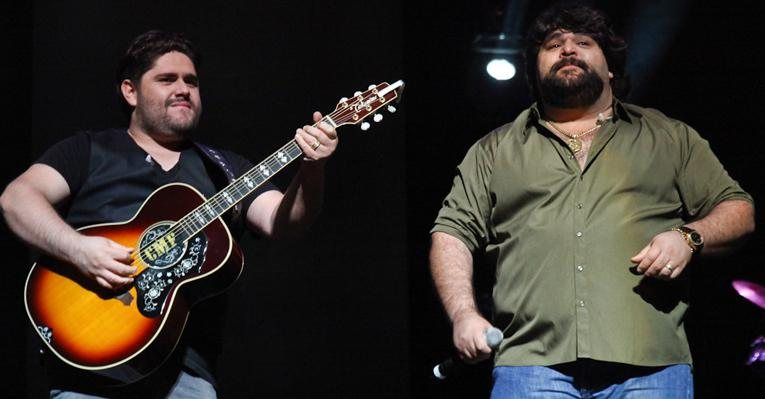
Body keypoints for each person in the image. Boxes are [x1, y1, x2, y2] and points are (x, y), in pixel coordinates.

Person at [429, 2, 755, 398]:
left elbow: (738, 209)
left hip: (650, 365)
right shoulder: (493, 150)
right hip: (531, 365)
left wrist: (689, 236)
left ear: (610, 67)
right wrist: (463, 315)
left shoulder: (669, 137)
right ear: (534, 69)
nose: (567, 49)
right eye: (553, 45)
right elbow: (451, 234)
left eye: (583, 42)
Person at [0, 30, 338, 398]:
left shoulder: (225, 169)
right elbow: (17, 199)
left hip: (184, 377)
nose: (183, 89)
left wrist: (311, 168)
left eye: (191, 82)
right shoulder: (88, 150)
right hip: (86, 375)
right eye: (167, 79)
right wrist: (79, 250)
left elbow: (283, 222)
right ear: (130, 91)